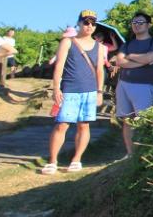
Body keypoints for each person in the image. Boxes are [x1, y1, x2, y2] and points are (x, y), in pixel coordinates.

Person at [41, 10, 105, 175]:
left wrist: (99, 92)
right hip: (69, 90)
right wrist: (56, 88)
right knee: (62, 125)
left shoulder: (99, 47)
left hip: (90, 90)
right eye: (86, 22)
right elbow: (59, 66)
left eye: (92, 23)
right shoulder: (68, 42)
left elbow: (100, 70)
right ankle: (52, 160)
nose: (89, 26)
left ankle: (76, 159)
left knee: (84, 125)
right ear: (79, 23)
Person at [113, 11, 153, 159]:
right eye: (134, 22)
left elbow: (151, 57)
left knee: (143, 119)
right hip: (123, 84)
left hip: (144, 85)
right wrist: (142, 62)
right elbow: (119, 62)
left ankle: (143, 154)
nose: (136, 25)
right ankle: (130, 153)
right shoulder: (127, 44)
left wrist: (131, 57)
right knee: (127, 120)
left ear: (148, 25)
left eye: (140, 22)